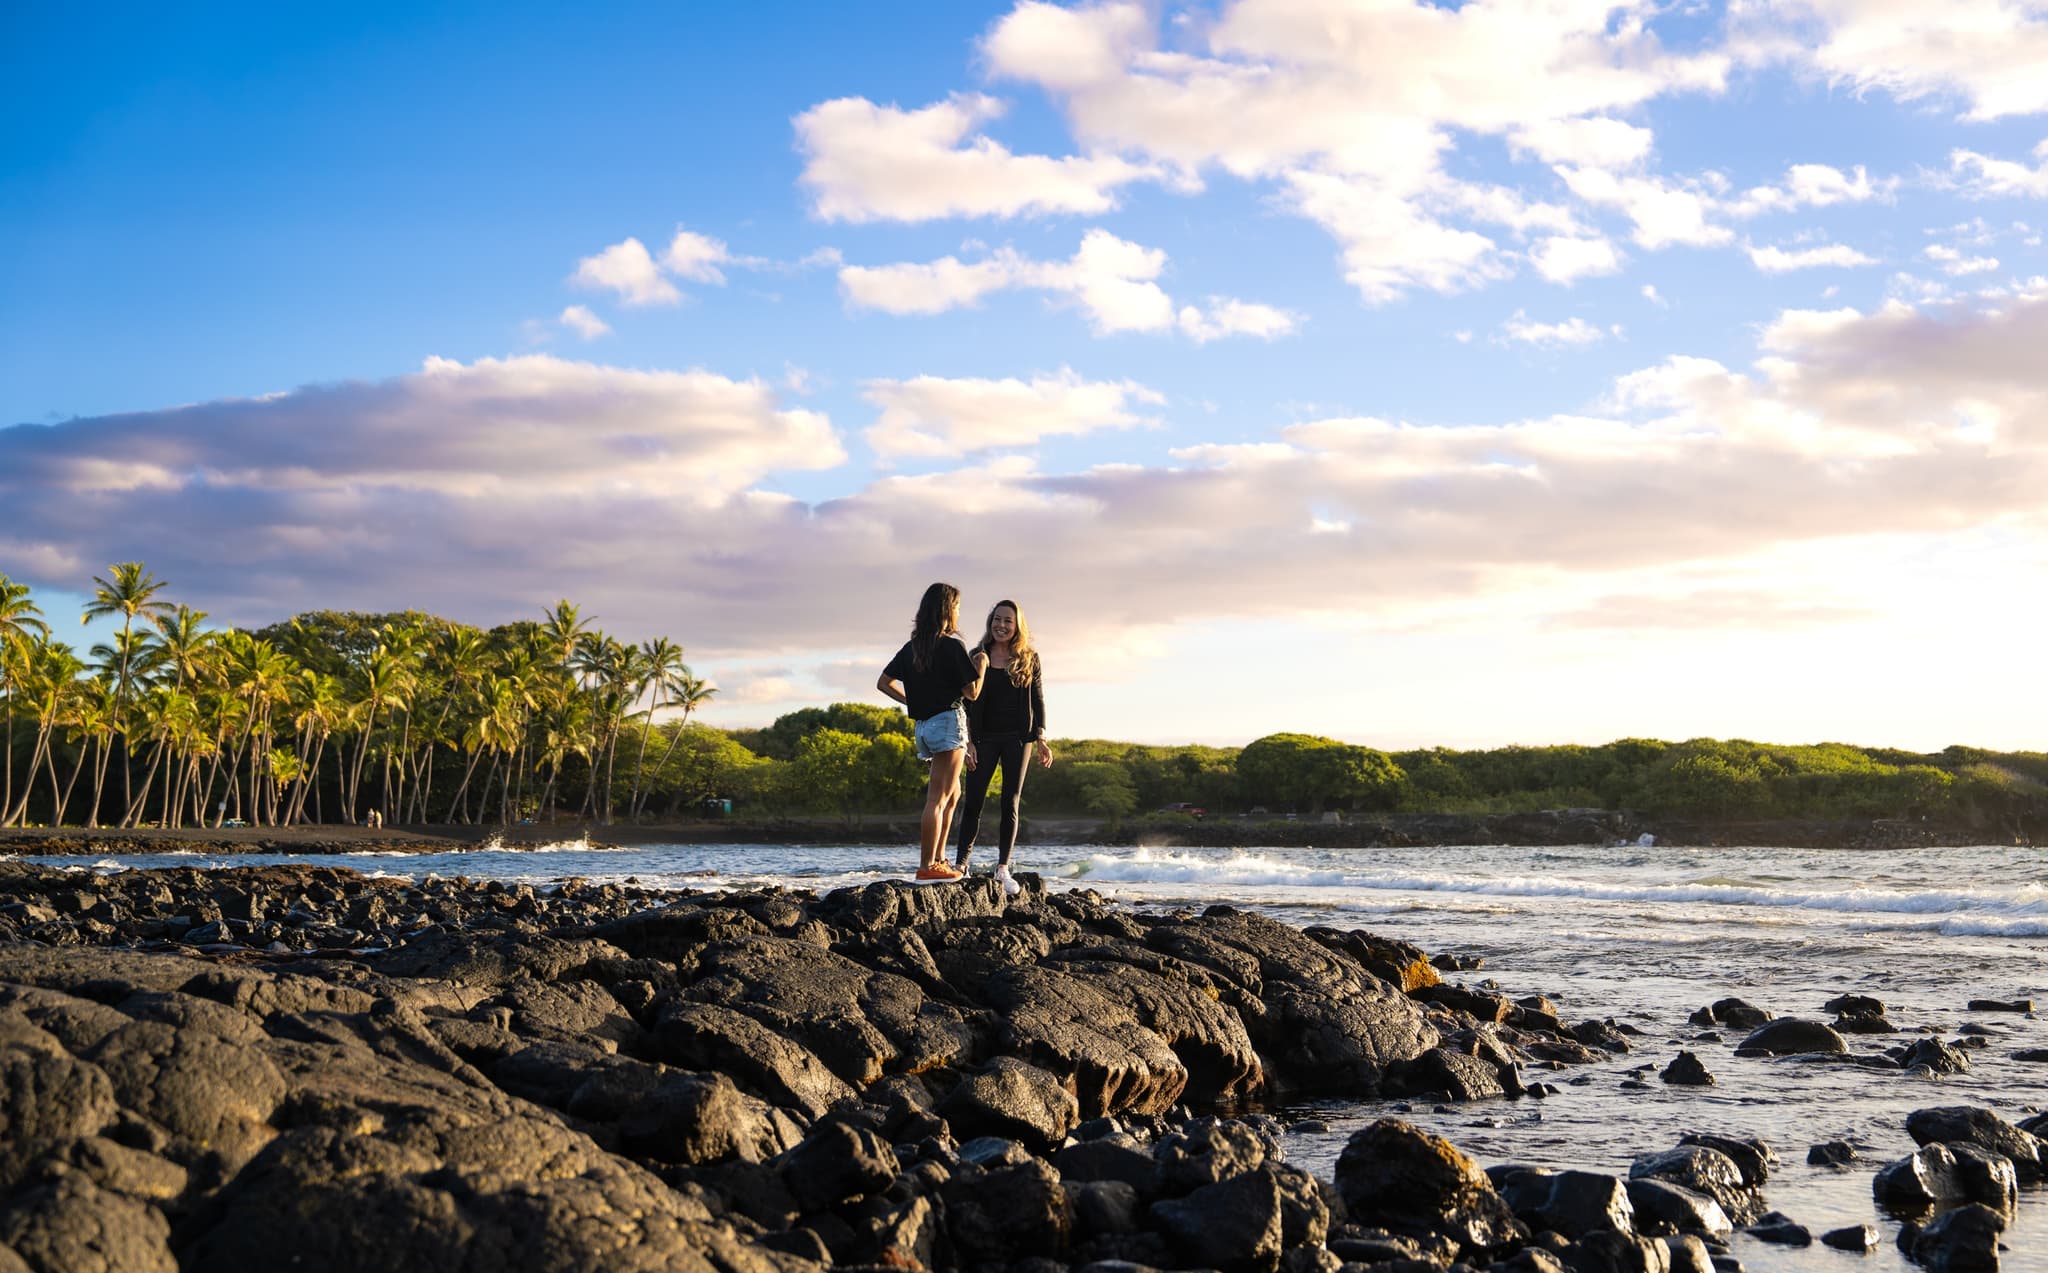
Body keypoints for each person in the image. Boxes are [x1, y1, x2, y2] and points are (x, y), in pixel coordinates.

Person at [878, 582, 989, 881]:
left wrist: (910, 701)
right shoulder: (951, 645)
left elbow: (883, 683)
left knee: (953, 794)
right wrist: (981, 665)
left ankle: (939, 859)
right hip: (947, 721)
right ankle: (927, 865)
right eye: (957, 607)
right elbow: (972, 692)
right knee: (937, 798)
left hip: (924, 727)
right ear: (947, 609)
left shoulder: (912, 648)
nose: (958, 613)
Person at [954, 599, 1053, 896]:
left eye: (1008, 620)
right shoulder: (977, 656)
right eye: (997, 619)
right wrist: (968, 741)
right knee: (973, 802)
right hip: (982, 739)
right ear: (990, 622)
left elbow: (1038, 701)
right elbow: (965, 704)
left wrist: (1042, 740)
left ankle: (1002, 869)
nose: (1001, 625)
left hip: (1017, 739)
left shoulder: (1029, 658)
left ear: (1017, 625)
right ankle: (961, 865)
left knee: (1010, 802)